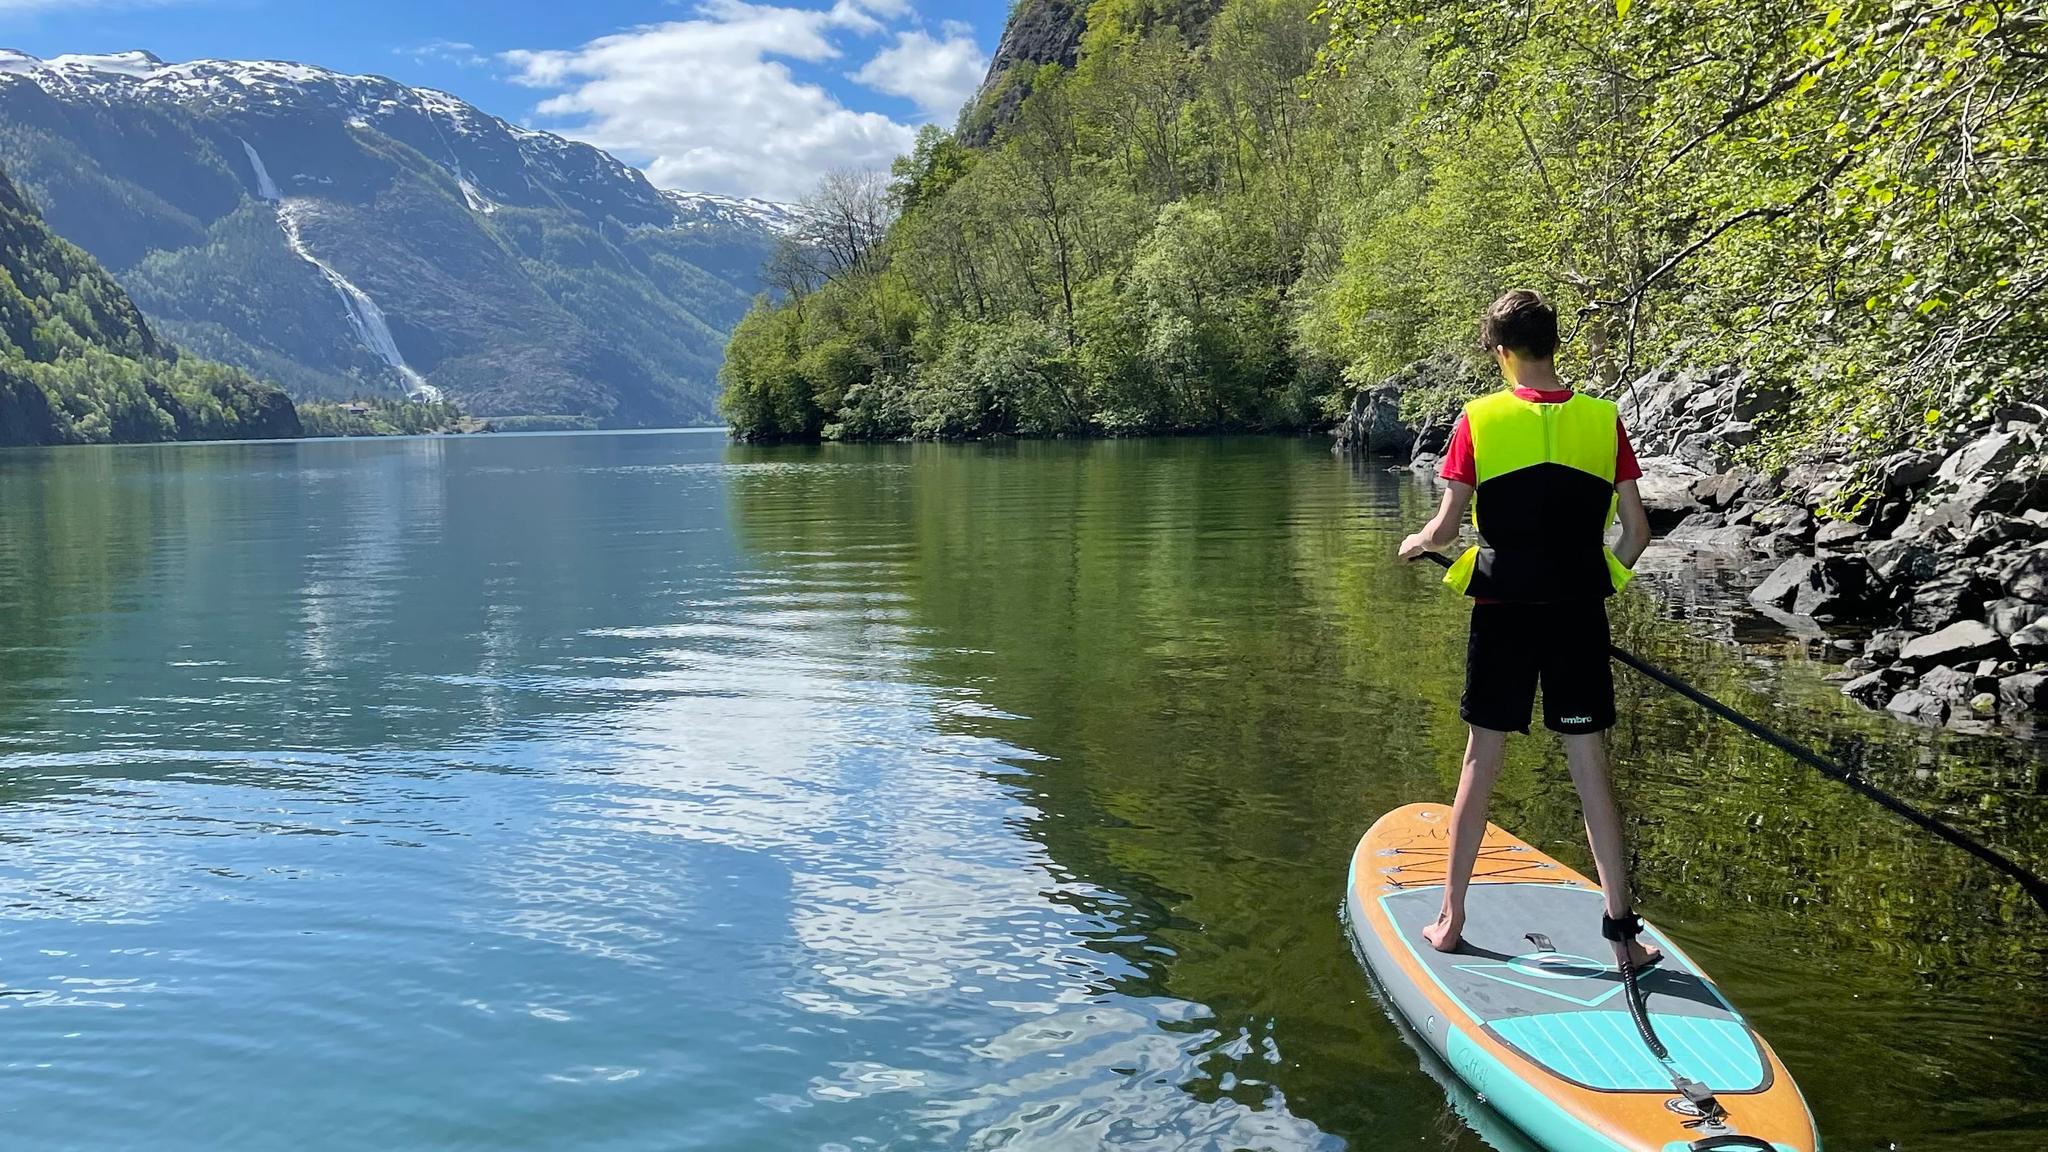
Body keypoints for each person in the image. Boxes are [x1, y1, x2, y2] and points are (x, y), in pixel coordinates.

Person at [1396, 289, 1660, 970]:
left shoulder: (1478, 420)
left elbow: (1446, 529)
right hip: (1578, 615)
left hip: (1503, 614)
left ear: (1502, 350)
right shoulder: (1604, 421)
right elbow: (1637, 532)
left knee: (1481, 761)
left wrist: (1417, 543)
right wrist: (1600, 583)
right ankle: (1623, 937)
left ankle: (1451, 920)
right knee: (1589, 767)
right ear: (1552, 345)